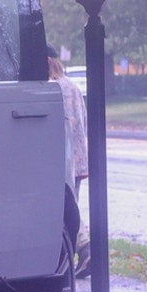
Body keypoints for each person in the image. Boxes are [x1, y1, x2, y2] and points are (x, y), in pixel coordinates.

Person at [48, 45, 91, 278]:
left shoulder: (52, 89)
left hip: (63, 159)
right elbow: (83, 119)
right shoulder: (72, 86)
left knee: (64, 212)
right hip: (78, 157)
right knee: (70, 207)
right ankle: (83, 251)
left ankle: (80, 250)